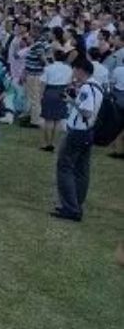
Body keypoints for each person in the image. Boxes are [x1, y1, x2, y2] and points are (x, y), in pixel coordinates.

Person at [52, 58, 103, 222]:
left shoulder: (87, 88)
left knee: (65, 167)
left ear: (81, 70)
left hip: (78, 132)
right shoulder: (98, 86)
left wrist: (71, 101)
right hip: (89, 132)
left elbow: (86, 111)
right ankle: (76, 204)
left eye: (74, 70)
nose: (73, 73)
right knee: (81, 170)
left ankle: (70, 207)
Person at [39, 50, 73, 152]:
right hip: (62, 92)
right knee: (58, 120)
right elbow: (70, 83)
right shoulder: (68, 68)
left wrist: (41, 95)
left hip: (50, 92)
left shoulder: (48, 68)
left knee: (48, 119)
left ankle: (47, 143)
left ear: (54, 57)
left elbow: (43, 83)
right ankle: (54, 143)